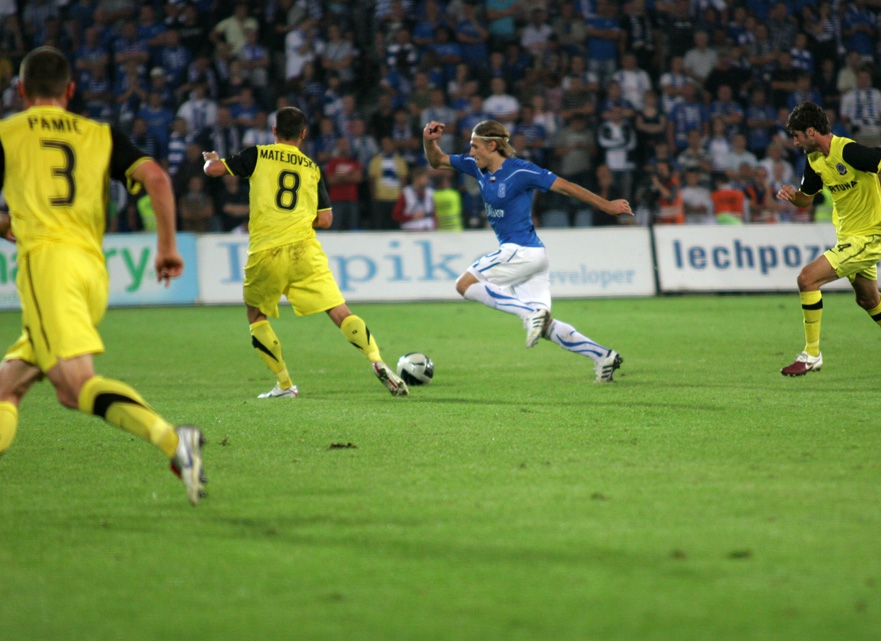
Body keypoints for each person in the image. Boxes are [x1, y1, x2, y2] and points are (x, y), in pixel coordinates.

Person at [0, 47, 205, 505]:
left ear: (19, 91)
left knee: (74, 388)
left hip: (47, 267)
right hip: (92, 271)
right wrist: (167, 246)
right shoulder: (99, 134)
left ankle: (175, 441)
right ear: (70, 91)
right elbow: (157, 179)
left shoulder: (8, 133)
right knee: (7, 386)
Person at [202, 107, 409, 399]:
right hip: (305, 250)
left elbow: (214, 171)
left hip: (266, 251)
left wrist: (210, 160)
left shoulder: (258, 154)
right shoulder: (312, 167)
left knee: (256, 314)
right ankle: (376, 359)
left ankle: (285, 385)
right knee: (339, 311)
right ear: (303, 134)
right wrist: (297, 219)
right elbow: (325, 220)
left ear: (274, 131)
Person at [423, 118, 630, 382]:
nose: (471, 152)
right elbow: (436, 160)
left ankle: (529, 313)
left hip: (520, 250)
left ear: (493, 145)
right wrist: (429, 140)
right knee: (545, 327)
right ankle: (603, 356)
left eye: (475, 146)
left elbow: (566, 186)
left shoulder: (521, 171)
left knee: (464, 284)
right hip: (532, 257)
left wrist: (606, 205)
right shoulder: (476, 167)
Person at [775, 102, 881, 379]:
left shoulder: (849, 151)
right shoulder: (814, 160)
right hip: (849, 237)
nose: (794, 142)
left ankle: (811, 354)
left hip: (869, 237)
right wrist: (791, 195)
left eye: (797, 135)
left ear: (811, 131)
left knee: (807, 279)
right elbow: (805, 200)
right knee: (868, 300)